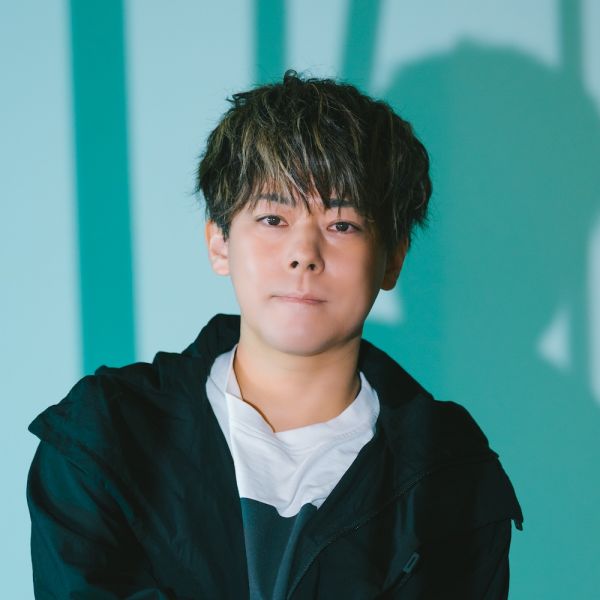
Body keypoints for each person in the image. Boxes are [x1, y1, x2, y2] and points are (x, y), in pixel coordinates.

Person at [26, 70, 523, 599]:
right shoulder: (106, 434)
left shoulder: (451, 477)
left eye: (342, 225)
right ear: (219, 242)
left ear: (393, 259)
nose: (303, 254)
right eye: (272, 219)